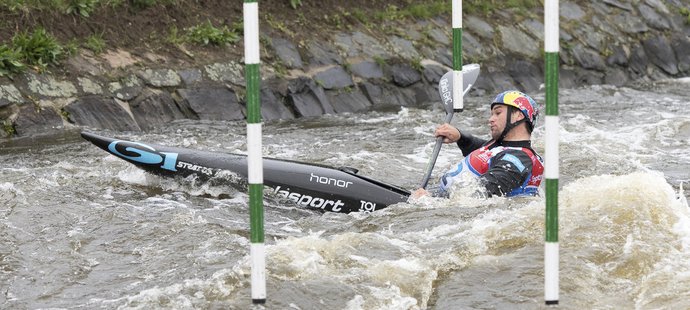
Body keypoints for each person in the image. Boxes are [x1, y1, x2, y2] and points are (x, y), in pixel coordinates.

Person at [412, 90, 544, 199]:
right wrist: (460, 136)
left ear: (518, 116)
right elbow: (482, 150)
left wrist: (431, 198)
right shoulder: (500, 147)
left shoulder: (518, 160)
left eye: (498, 113)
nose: (490, 119)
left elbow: (477, 193)